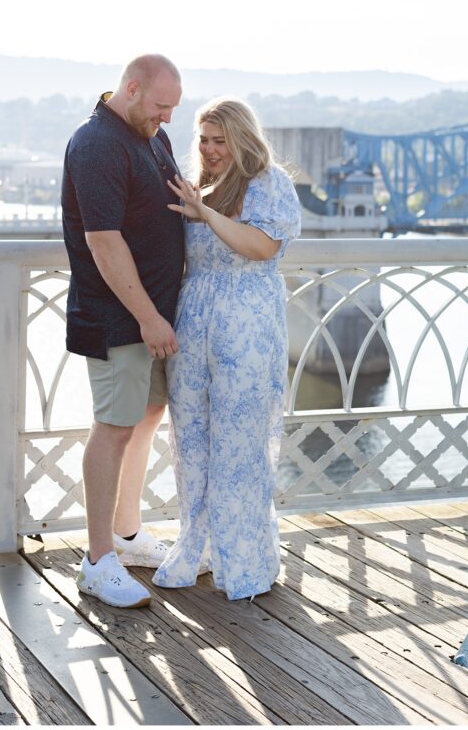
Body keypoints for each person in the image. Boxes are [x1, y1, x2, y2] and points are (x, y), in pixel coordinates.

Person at [152, 97, 301, 601]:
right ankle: (198, 547)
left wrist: (203, 214)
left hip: (248, 324)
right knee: (190, 439)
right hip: (194, 322)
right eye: (204, 140)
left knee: (240, 442)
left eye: (221, 140)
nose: (211, 150)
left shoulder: (268, 184)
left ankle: (245, 558)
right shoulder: (201, 189)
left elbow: (261, 246)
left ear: (243, 138)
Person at [61, 54, 184, 608]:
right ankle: (96, 560)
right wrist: (148, 317)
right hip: (120, 317)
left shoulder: (149, 134)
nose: (167, 118)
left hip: (156, 315)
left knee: (147, 416)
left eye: (172, 108)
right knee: (112, 426)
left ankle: (127, 535)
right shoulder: (98, 144)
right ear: (131, 89)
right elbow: (103, 241)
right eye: (161, 106)